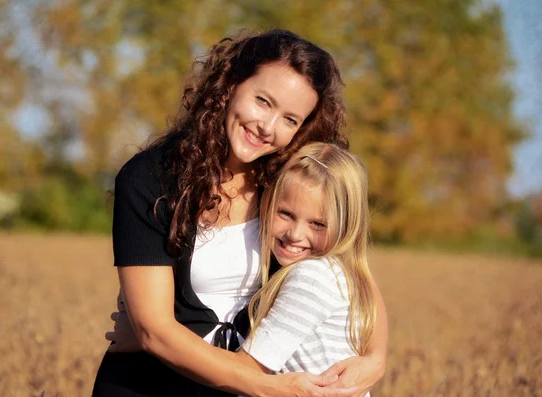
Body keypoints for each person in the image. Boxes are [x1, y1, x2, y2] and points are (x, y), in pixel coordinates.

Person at [93, 29, 387, 397]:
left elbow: (353, 271)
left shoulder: (289, 179)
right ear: (230, 83)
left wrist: (375, 358)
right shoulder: (150, 180)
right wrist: (269, 388)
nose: (268, 127)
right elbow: (154, 331)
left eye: (290, 120)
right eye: (263, 101)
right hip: (156, 385)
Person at [231, 143, 376, 397]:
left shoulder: (312, 279)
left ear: (347, 225)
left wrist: (165, 340)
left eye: (318, 224)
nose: (295, 234)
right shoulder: (338, 271)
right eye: (286, 214)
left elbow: (246, 370)